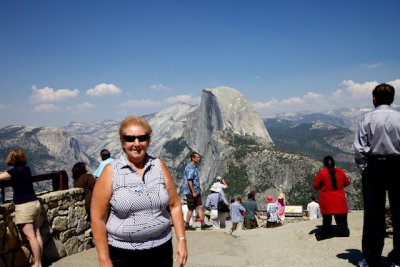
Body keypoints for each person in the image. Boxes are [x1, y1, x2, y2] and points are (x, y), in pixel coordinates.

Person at [91, 116, 188, 267]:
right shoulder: (111, 172)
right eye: (130, 138)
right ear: (123, 142)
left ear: (148, 141)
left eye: (142, 138)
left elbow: (175, 205)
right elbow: (98, 219)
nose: (136, 143)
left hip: (161, 251)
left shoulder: (159, 166)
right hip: (123, 254)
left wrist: (182, 240)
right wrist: (104, 259)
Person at [354, 83, 400, 267]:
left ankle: (372, 258)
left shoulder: (366, 119)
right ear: (392, 98)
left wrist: (365, 168)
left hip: (374, 167)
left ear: (374, 99)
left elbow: (359, 149)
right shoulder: (399, 117)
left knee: (373, 214)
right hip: (398, 167)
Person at [0, 150, 43, 267]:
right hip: (35, 203)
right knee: (37, 233)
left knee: (30, 236)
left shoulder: (14, 171)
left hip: (25, 206)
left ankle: (37, 263)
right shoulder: (26, 169)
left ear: (11, 159)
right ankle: (40, 262)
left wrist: (4, 173)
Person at [313, 155, 350, 240]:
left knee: (327, 220)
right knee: (341, 220)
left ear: (324, 163)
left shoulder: (322, 173)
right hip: (339, 199)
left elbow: (315, 186)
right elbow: (347, 182)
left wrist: (322, 187)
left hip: (327, 199)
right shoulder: (340, 171)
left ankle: (326, 234)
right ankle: (344, 233)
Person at [181, 152, 212, 230]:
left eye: (199, 157)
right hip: (191, 192)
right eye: (197, 157)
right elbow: (189, 181)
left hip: (196, 191)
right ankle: (186, 225)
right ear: (193, 158)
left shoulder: (194, 167)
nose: (199, 158)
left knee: (200, 206)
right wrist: (193, 192)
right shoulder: (190, 167)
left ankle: (203, 224)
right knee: (191, 208)